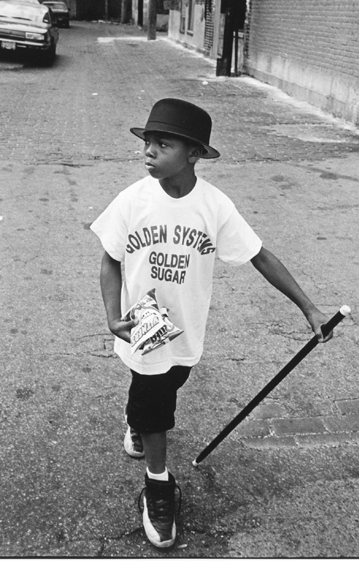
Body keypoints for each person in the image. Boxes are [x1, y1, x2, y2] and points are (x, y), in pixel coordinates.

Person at [90, 98, 332, 549]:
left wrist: (309, 308)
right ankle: (158, 486)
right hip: (140, 330)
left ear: (194, 153)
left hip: (185, 330)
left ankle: (136, 421)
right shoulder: (132, 200)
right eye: (147, 142)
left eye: (163, 144)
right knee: (155, 399)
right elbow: (110, 259)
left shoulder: (214, 206)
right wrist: (110, 317)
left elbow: (258, 254)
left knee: (169, 383)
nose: (149, 152)